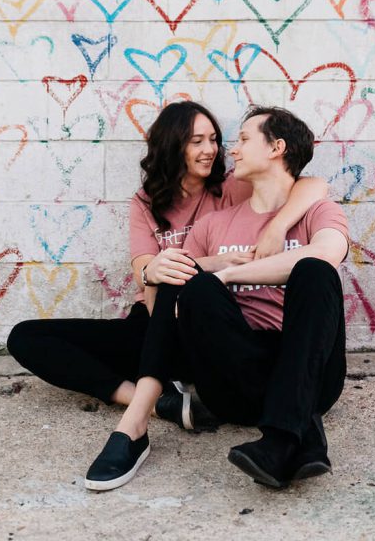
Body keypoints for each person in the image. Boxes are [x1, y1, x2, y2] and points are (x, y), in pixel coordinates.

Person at [7, 100, 325, 433]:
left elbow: (312, 185)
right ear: (172, 144)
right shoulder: (145, 203)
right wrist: (210, 263)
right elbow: (147, 273)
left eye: (214, 139)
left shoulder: (232, 187)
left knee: (184, 283)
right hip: (155, 322)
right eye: (197, 141)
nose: (211, 150)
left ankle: (154, 397)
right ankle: (159, 403)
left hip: (208, 323)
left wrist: (277, 228)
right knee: (27, 337)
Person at [85, 105, 349, 492]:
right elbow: (175, 296)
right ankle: (134, 427)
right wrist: (194, 283)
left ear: (276, 148)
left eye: (243, 139)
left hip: (311, 371)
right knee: (181, 271)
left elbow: (326, 252)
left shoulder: (317, 211)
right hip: (237, 379)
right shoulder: (214, 224)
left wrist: (229, 273)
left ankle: (280, 438)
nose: (233, 150)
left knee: (315, 271)